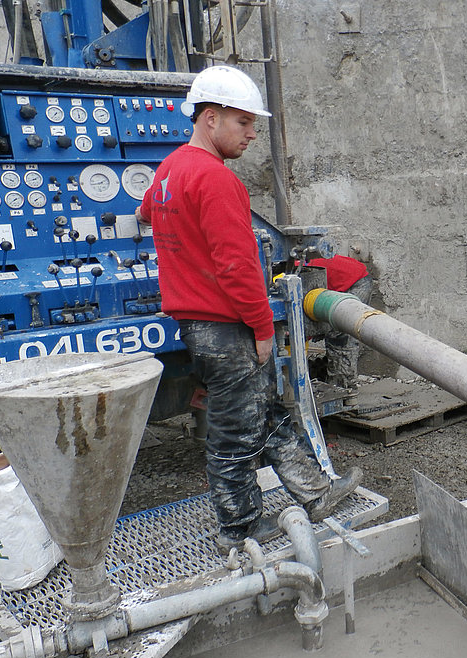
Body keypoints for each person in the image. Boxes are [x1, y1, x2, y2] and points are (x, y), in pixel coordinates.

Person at [137, 65, 362, 555]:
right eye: (243, 123)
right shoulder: (215, 180)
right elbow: (236, 266)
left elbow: (146, 211)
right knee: (235, 432)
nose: (253, 133)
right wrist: (263, 326)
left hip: (198, 325)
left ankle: (313, 490)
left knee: (263, 411)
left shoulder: (171, 168)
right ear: (211, 117)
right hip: (226, 325)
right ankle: (239, 530)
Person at [305, 254, 373, 387]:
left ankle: (343, 387)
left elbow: (306, 311)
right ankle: (338, 382)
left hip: (356, 283)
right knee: (335, 334)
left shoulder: (300, 275)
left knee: (340, 336)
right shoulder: (294, 267)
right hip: (350, 278)